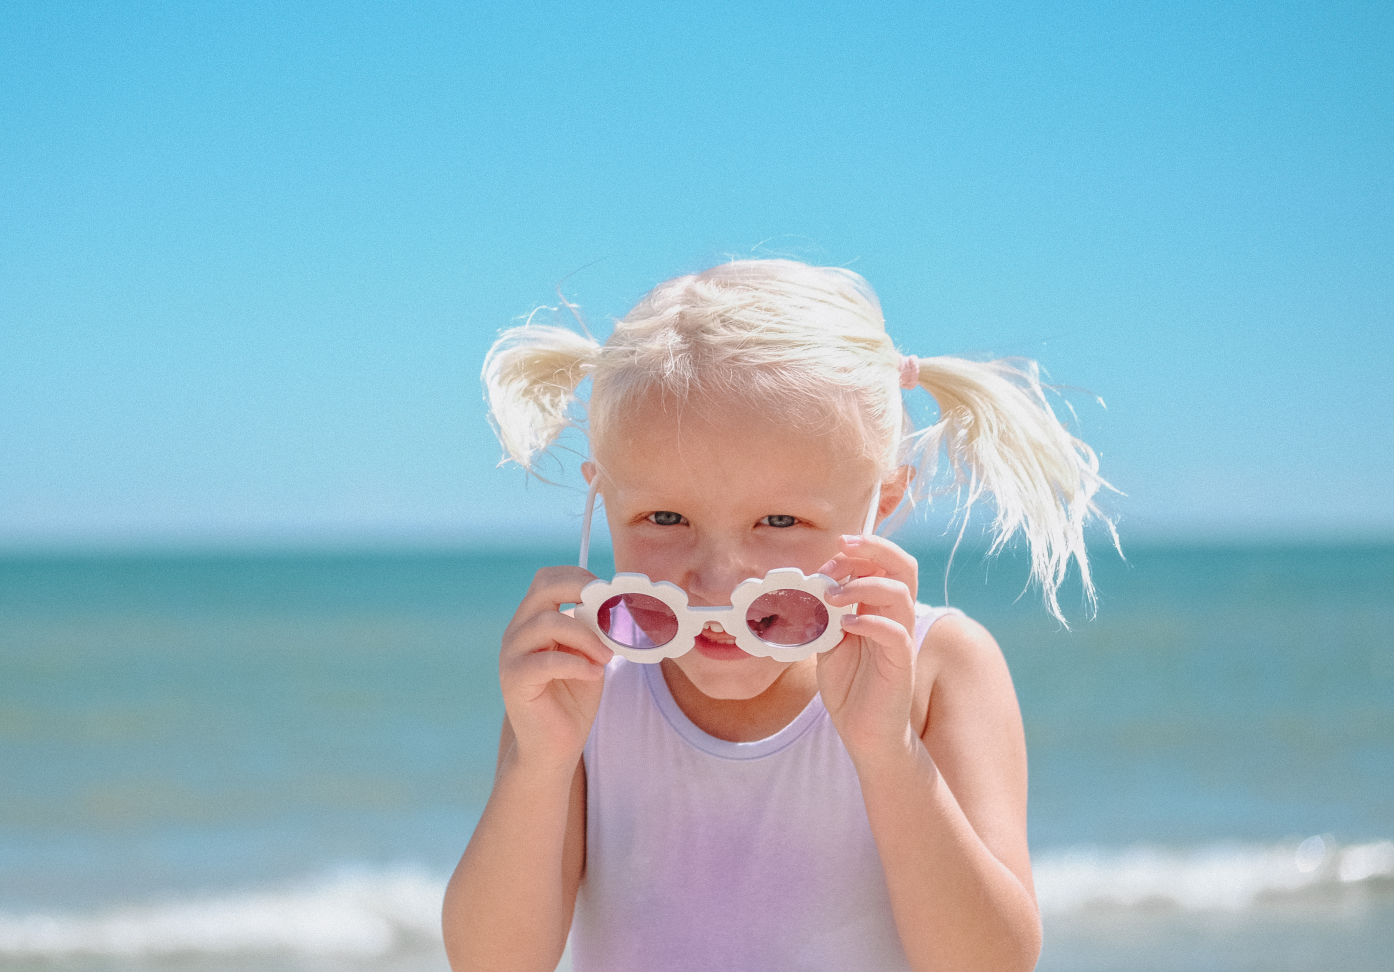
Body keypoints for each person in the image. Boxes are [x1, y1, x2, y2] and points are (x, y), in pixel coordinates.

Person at [442, 259, 1113, 972]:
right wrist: (540, 764)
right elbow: (493, 963)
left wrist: (888, 754)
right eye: (664, 518)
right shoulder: (583, 680)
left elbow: (993, 963)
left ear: (881, 506)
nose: (717, 578)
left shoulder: (939, 668)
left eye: (780, 521)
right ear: (601, 500)